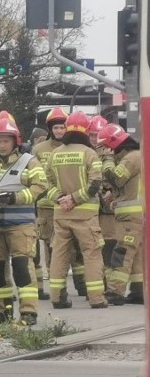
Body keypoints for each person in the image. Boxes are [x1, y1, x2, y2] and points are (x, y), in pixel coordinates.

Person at [0, 118, 48, 325]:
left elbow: (40, 187)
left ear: (15, 141)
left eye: (6, 141)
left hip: (21, 226)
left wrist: (14, 197)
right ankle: (1, 313)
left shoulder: (29, 161)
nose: (2, 145)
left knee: (22, 269)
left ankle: (29, 313)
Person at [43, 111, 107, 309]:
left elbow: (46, 183)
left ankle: (57, 297)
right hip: (86, 215)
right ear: (86, 131)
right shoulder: (90, 154)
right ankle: (96, 298)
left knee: (59, 255)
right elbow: (95, 184)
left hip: (61, 214)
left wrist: (61, 199)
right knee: (92, 254)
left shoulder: (55, 154)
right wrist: (74, 198)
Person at [33, 108, 85, 300]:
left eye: (62, 127)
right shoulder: (39, 150)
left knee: (77, 245)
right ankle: (55, 283)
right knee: (51, 245)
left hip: (72, 204)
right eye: (56, 127)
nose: (59, 131)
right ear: (50, 129)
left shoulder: (75, 148)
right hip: (47, 206)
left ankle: (81, 284)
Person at [97, 124, 144, 305]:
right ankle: (139, 291)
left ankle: (115, 291)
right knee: (137, 254)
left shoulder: (131, 158)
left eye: (105, 147)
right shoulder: (134, 156)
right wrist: (114, 194)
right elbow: (126, 185)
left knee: (122, 252)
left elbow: (116, 177)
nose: (104, 151)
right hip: (134, 216)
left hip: (130, 218)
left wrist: (108, 160)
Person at [88, 116, 117, 285]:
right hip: (91, 205)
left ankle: (109, 283)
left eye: (98, 134)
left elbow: (118, 177)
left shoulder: (113, 152)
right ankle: (97, 280)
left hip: (107, 206)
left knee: (109, 244)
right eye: (92, 134)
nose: (95, 138)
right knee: (93, 245)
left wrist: (111, 192)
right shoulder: (85, 151)